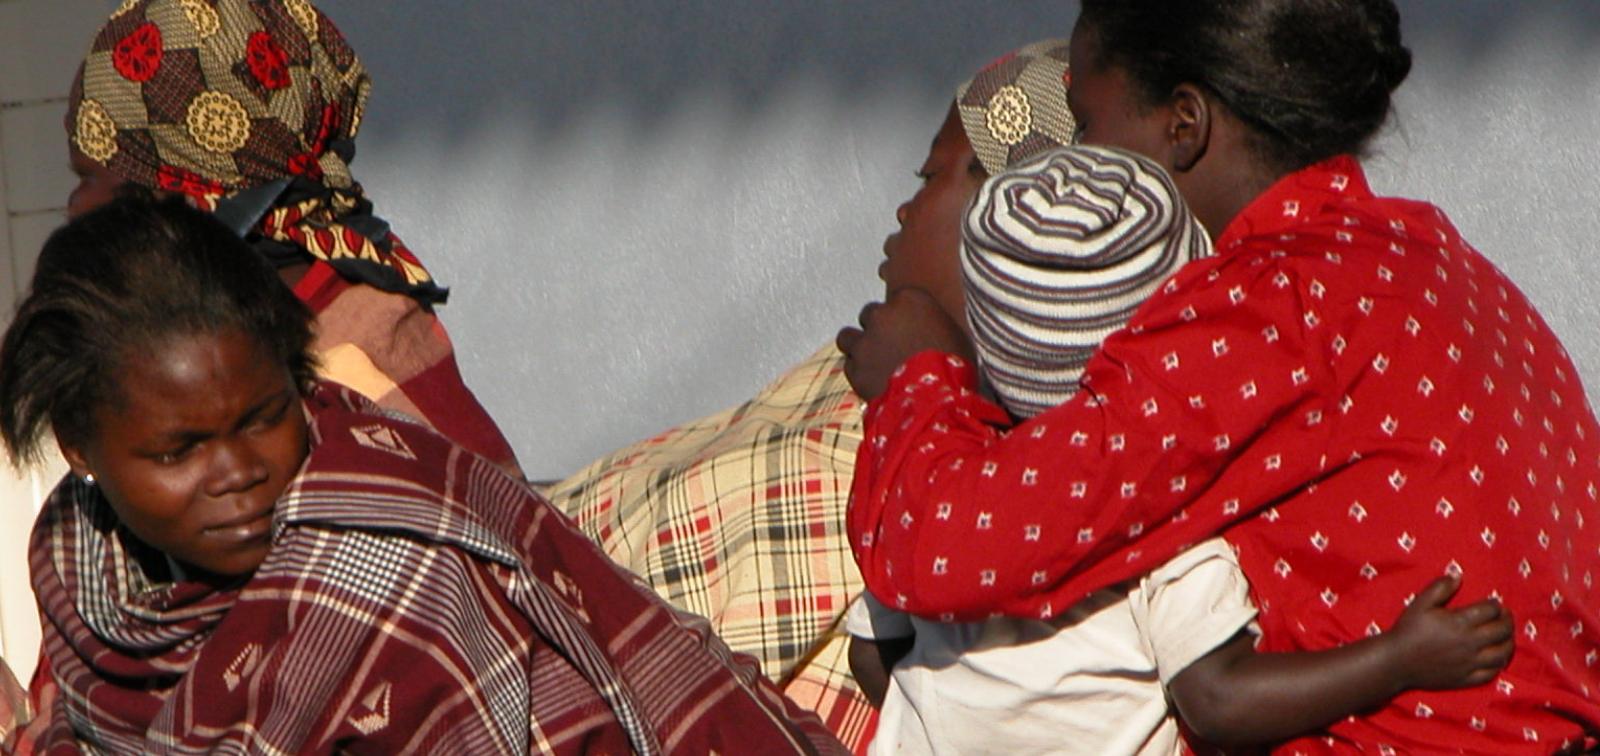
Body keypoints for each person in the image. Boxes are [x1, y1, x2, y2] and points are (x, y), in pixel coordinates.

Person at [836, 0, 1600, 751]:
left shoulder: (1261, 310)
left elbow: (939, 549)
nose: (1069, 157)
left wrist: (919, 375)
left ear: (1184, 126)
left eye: (1086, 124)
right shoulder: (1429, 254)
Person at [0, 197, 842, 754]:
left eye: (262, 419)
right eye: (179, 452)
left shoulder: (391, 553)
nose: (238, 475)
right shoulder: (76, 559)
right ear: (79, 447)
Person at [539, 39, 1081, 749]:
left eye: (929, 178)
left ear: (1006, 212)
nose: (903, 208)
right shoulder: (858, 367)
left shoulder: (974, 459)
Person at [63, 0, 521, 475]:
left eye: (86, 178)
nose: (74, 206)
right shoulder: (344, 297)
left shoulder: (324, 371)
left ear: (183, 191)